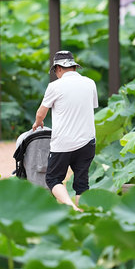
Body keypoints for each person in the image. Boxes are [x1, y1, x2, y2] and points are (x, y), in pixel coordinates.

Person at [33, 51, 98, 211]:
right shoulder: (90, 83)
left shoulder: (54, 86)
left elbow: (41, 112)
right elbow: (92, 106)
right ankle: (82, 211)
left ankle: (70, 207)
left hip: (63, 143)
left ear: (59, 68)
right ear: (74, 67)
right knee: (82, 182)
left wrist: (38, 123)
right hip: (87, 141)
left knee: (53, 178)